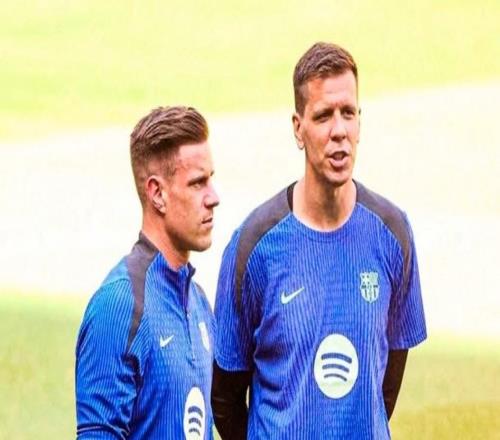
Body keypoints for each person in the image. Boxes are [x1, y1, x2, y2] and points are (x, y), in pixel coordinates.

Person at [211, 42, 427, 439]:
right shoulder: (254, 247)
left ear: (360, 122)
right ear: (298, 128)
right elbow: (225, 400)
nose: (338, 131)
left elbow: (385, 385)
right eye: (324, 115)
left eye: (348, 113)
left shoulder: (393, 233)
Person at [75, 106, 219, 439]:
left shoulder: (198, 302)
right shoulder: (119, 306)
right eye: (198, 183)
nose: (213, 197)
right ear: (157, 194)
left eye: (211, 179)